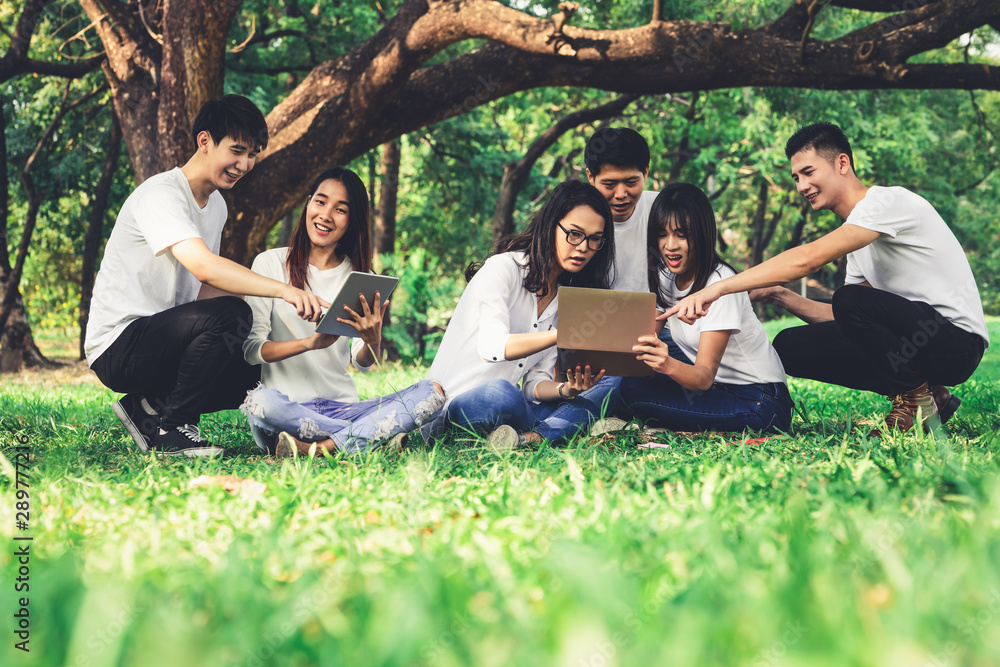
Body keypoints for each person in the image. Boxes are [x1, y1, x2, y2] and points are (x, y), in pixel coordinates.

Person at [666, 122, 989, 434]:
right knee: (791, 346)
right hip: (920, 343)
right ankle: (932, 395)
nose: (801, 186)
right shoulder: (859, 237)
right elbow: (849, 321)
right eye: (795, 177)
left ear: (842, 163)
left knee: (849, 298)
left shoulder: (888, 202)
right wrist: (781, 295)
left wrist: (719, 287)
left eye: (808, 172)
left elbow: (810, 259)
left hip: (956, 343)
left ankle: (916, 400)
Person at [86, 95, 326, 458]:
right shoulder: (161, 194)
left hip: (162, 339)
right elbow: (204, 266)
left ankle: (146, 410)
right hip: (119, 346)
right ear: (204, 141)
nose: (245, 164)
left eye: (254, 154)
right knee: (235, 316)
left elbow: (202, 292)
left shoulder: (216, 206)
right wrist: (283, 291)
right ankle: (173, 430)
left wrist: (269, 317)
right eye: (237, 150)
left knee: (252, 364)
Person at [501, 182, 791, 445]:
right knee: (619, 378)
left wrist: (664, 364)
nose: (670, 245)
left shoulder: (719, 284)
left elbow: (702, 378)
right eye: (662, 235)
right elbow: (646, 331)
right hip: (718, 393)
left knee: (628, 388)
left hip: (759, 403)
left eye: (682, 235)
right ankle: (590, 422)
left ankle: (539, 435)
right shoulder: (668, 277)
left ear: (702, 235)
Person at [239, 167, 445, 456]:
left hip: (343, 407)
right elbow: (252, 350)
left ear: (352, 221)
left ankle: (321, 447)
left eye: (340, 209)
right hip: (285, 409)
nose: (325, 215)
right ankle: (370, 435)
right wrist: (309, 343)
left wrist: (373, 338)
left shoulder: (361, 277)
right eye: (320, 202)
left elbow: (362, 362)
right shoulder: (270, 264)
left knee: (432, 393)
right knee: (260, 403)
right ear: (308, 203)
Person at [421, 180, 615, 443]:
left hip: (511, 408)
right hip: (455, 405)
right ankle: (542, 432)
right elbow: (493, 347)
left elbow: (534, 384)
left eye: (594, 240)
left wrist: (566, 388)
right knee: (502, 393)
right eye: (575, 234)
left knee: (587, 406)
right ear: (550, 226)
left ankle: (522, 439)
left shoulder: (565, 298)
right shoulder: (503, 268)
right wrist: (562, 335)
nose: (583, 247)